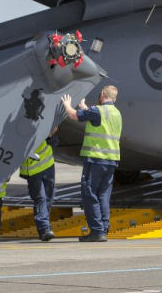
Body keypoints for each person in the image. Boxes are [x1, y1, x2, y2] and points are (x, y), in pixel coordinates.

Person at [61, 85, 122, 243]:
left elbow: (73, 115)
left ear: (102, 94)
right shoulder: (116, 113)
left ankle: (96, 230)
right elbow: (99, 122)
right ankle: (103, 227)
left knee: (89, 193)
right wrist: (85, 108)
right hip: (111, 161)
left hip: (96, 159)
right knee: (103, 194)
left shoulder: (98, 111)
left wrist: (67, 104)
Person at [19, 129, 57, 241]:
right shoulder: (21, 128)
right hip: (33, 169)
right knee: (41, 198)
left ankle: (43, 229)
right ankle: (44, 229)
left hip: (47, 164)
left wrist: (51, 134)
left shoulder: (42, 121)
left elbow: (54, 141)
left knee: (48, 198)